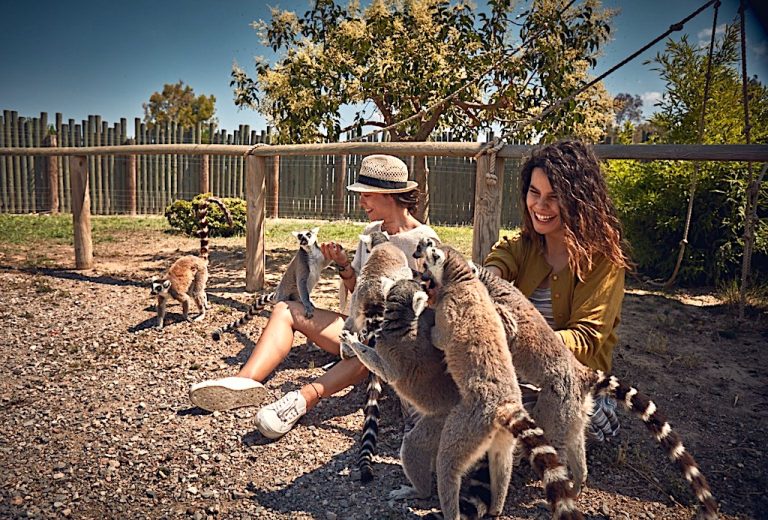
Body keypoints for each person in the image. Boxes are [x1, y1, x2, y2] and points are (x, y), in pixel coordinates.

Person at [189, 154, 439, 440]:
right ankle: (243, 383)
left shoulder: (424, 239)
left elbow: (431, 306)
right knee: (285, 309)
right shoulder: (371, 233)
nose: (362, 203)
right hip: (359, 328)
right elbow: (358, 288)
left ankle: (302, 399)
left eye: (367, 195)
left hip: (398, 345)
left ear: (389, 196)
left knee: (370, 344)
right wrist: (344, 265)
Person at [483, 139, 631, 441]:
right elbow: (497, 263)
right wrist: (482, 284)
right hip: (522, 373)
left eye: (554, 197)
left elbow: (587, 340)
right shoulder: (525, 244)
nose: (540, 206)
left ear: (579, 201)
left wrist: (512, 340)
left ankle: (588, 414)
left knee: (503, 427)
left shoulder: (603, 260)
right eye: (534, 193)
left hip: (574, 379)